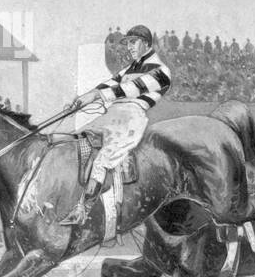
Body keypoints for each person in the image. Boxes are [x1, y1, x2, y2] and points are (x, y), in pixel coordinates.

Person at [59, 25, 171, 228]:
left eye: (133, 42)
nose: (129, 47)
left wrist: (98, 95)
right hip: (111, 115)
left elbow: (129, 89)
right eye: (127, 43)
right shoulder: (131, 68)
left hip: (130, 118)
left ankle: (82, 210)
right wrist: (81, 99)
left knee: (102, 160)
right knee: (77, 140)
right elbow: (108, 84)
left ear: (146, 43)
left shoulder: (161, 71)